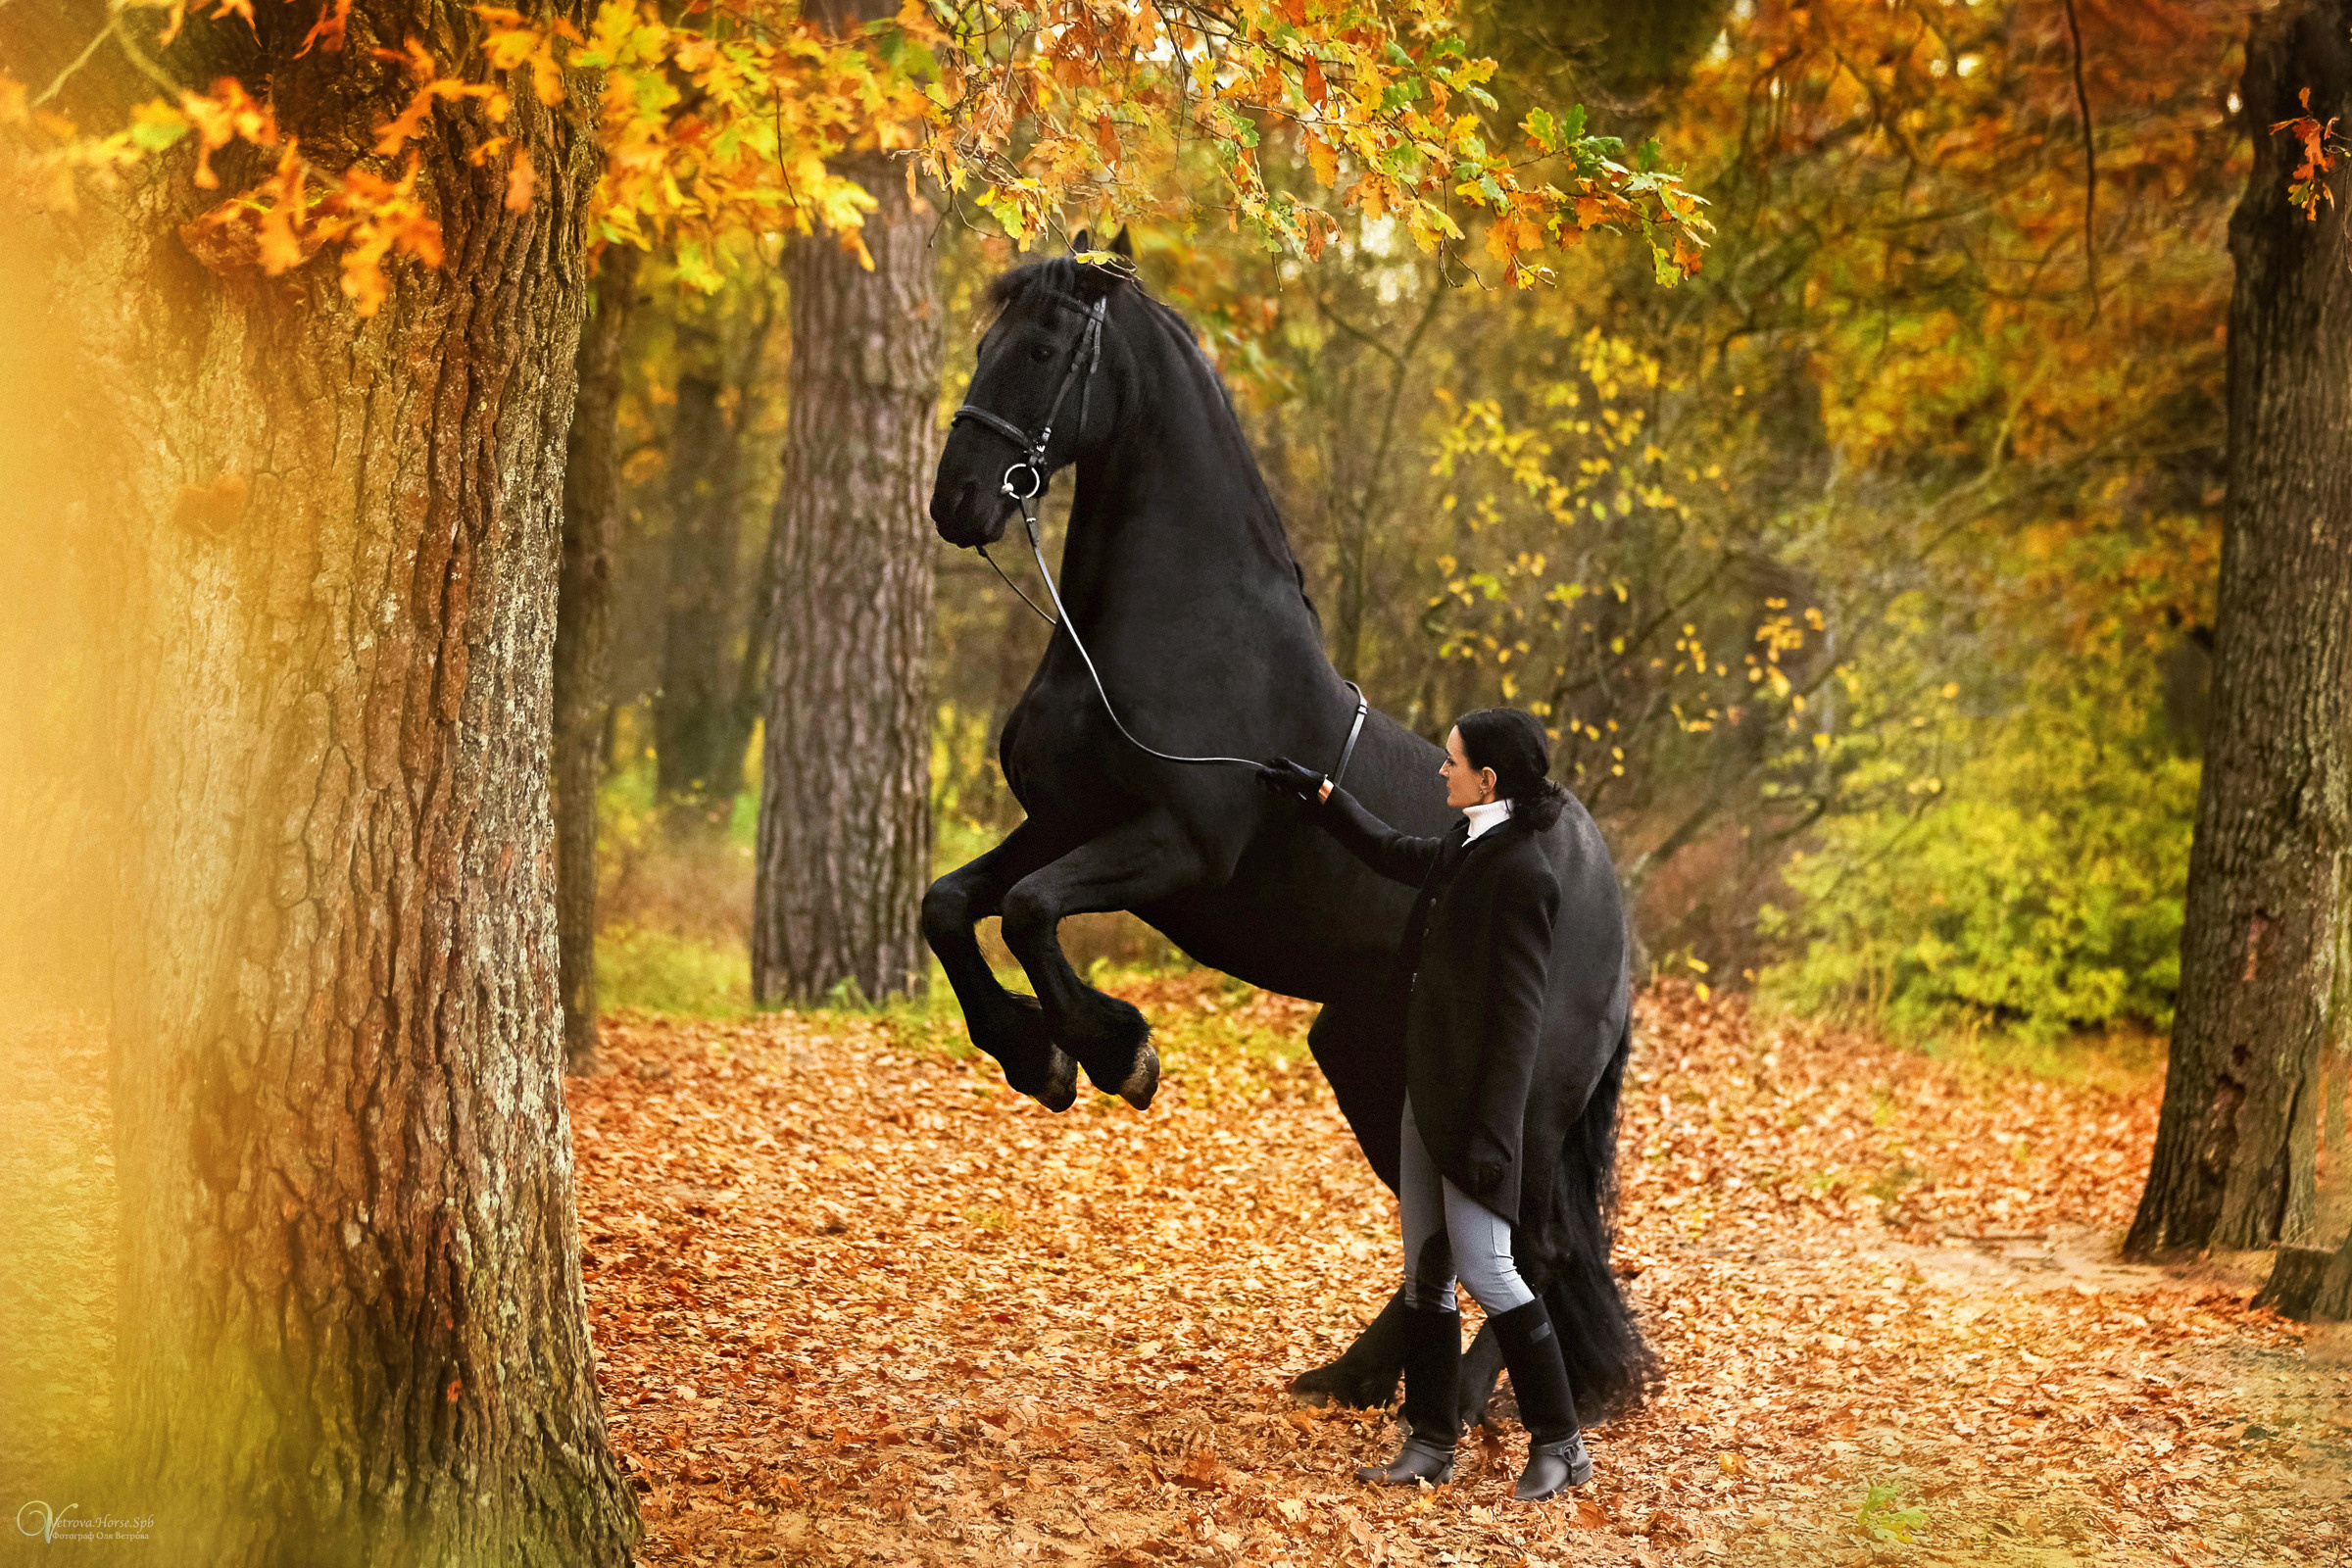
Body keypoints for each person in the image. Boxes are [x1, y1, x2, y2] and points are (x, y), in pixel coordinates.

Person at [1257, 708, 1591, 1502]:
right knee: (1424, 1277)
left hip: (1474, 1110)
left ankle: (1563, 1445)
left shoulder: (1525, 874)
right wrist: (1331, 800)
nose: (1441, 772)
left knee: (1490, 1270)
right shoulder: (1469, 840)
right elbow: (1403, 856)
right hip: (1427, 1090)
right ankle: (1432, 1440)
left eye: (1453, 763)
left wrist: (1492, 1137)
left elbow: (1518, 1026)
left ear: (1489, 778)